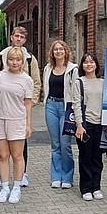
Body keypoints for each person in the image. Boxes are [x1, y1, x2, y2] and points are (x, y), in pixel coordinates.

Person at [0, 26, 40, 188]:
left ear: (24, 40)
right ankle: (3, 178)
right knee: (3, 152)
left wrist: (28, 105)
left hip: (19, 111)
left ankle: (21, 175)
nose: (18, 39)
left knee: (19, 149)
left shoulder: (30, 59)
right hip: (2, 111)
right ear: (11, 37)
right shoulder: (1, 56)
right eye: (16, 36)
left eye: (21, 37)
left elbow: (36, 83)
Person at [0, 47, 34, 204]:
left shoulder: (26, 80)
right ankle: (4, 186)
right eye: (11, 59)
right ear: (6, 60)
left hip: (17, 120)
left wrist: (28, 125)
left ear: (22, 61)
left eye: (17, 59)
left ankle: (16, 186)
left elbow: (27, 103)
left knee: (17, 155)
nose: (14, 62)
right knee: (2, 155)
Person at [42, 40, 78, 189]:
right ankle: (56, 176)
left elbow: (76, 91)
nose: (58, 51)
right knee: (55, 144)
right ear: (52, 52)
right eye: (55, 49)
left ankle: (67, 176)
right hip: (51, 105)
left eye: (61, 49)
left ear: (65, 51)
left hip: (66, 108)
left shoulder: (72, 69)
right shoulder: (48, 69)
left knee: (65, 144)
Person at [73, 53, 105, 201]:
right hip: (86, 125)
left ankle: (96, 187)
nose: (89, 65)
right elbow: (76, 105)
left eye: (92, 62)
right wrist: (79, 125)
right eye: (86, 62)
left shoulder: (103, 82)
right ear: (82, 66)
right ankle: (86, 188)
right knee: (85, 157)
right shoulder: (79, 82)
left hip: (100, 124)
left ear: (96, 65)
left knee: (97, 157)